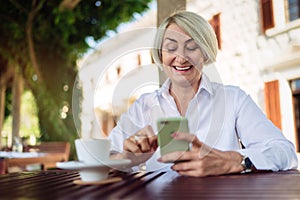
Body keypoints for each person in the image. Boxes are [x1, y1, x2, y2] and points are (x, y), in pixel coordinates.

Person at [108, 11, 298, 177]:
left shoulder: (233, 99)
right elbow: (104, 159)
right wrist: (126, 160)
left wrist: (235, 161)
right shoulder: (144, 106)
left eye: (192, 47)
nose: (181, 58)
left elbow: (284, 152)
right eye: (171, 48)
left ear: (205, 53)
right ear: (161, 55)